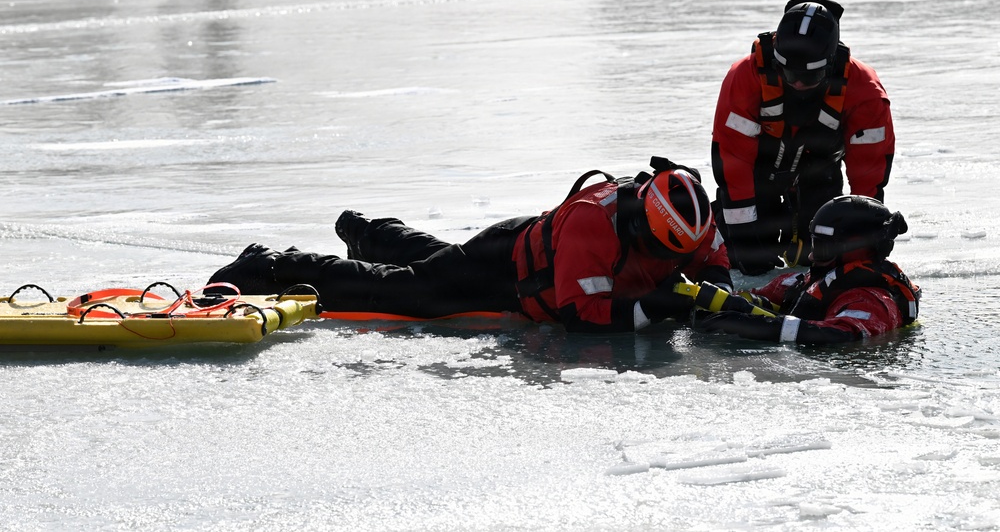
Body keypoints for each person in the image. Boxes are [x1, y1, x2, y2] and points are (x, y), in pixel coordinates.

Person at [206, 157, 733, 333]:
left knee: (433, 263)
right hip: (505, 267)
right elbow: (581, 312)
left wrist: (718, 286)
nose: (671, 262)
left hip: (525, 261)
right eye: (661, 251)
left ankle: (372, 232)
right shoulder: (592, 225)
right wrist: (656, 307)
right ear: (641, 221)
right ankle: (273, 263)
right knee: (412, 293)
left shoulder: (688, 211)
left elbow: (711, 256)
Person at [711, 0, 895, 275]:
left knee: (824, 257)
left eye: (809, 76)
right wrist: (744, 237)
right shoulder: (745, 76)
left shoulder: (864, 90)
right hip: (757, 179)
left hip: (821, 178)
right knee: (740, 259)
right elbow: (732, 160)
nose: (797, 82)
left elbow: (869, 171)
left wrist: (865, 240)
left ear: (831, 63)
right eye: (789, 72)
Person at [695, 195, 919, 345]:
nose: (811, 255)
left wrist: (756, 327)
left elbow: (840, 335)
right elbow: (766, 294)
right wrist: (729, 302)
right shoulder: (803, 282)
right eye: (813, 244)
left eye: (821, 247)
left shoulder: (871, 300)